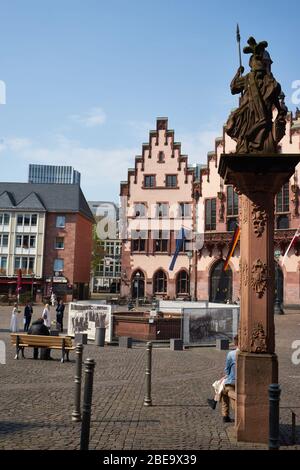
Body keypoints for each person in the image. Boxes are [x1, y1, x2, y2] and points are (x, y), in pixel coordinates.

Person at [219, 335, 239, 423]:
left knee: (224, 390)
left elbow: (227, 369)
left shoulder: (231, 354)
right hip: (237, 380)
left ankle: (225, 415)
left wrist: (225, 376)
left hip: (232, 382)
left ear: (235, 343)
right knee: (223, 387)